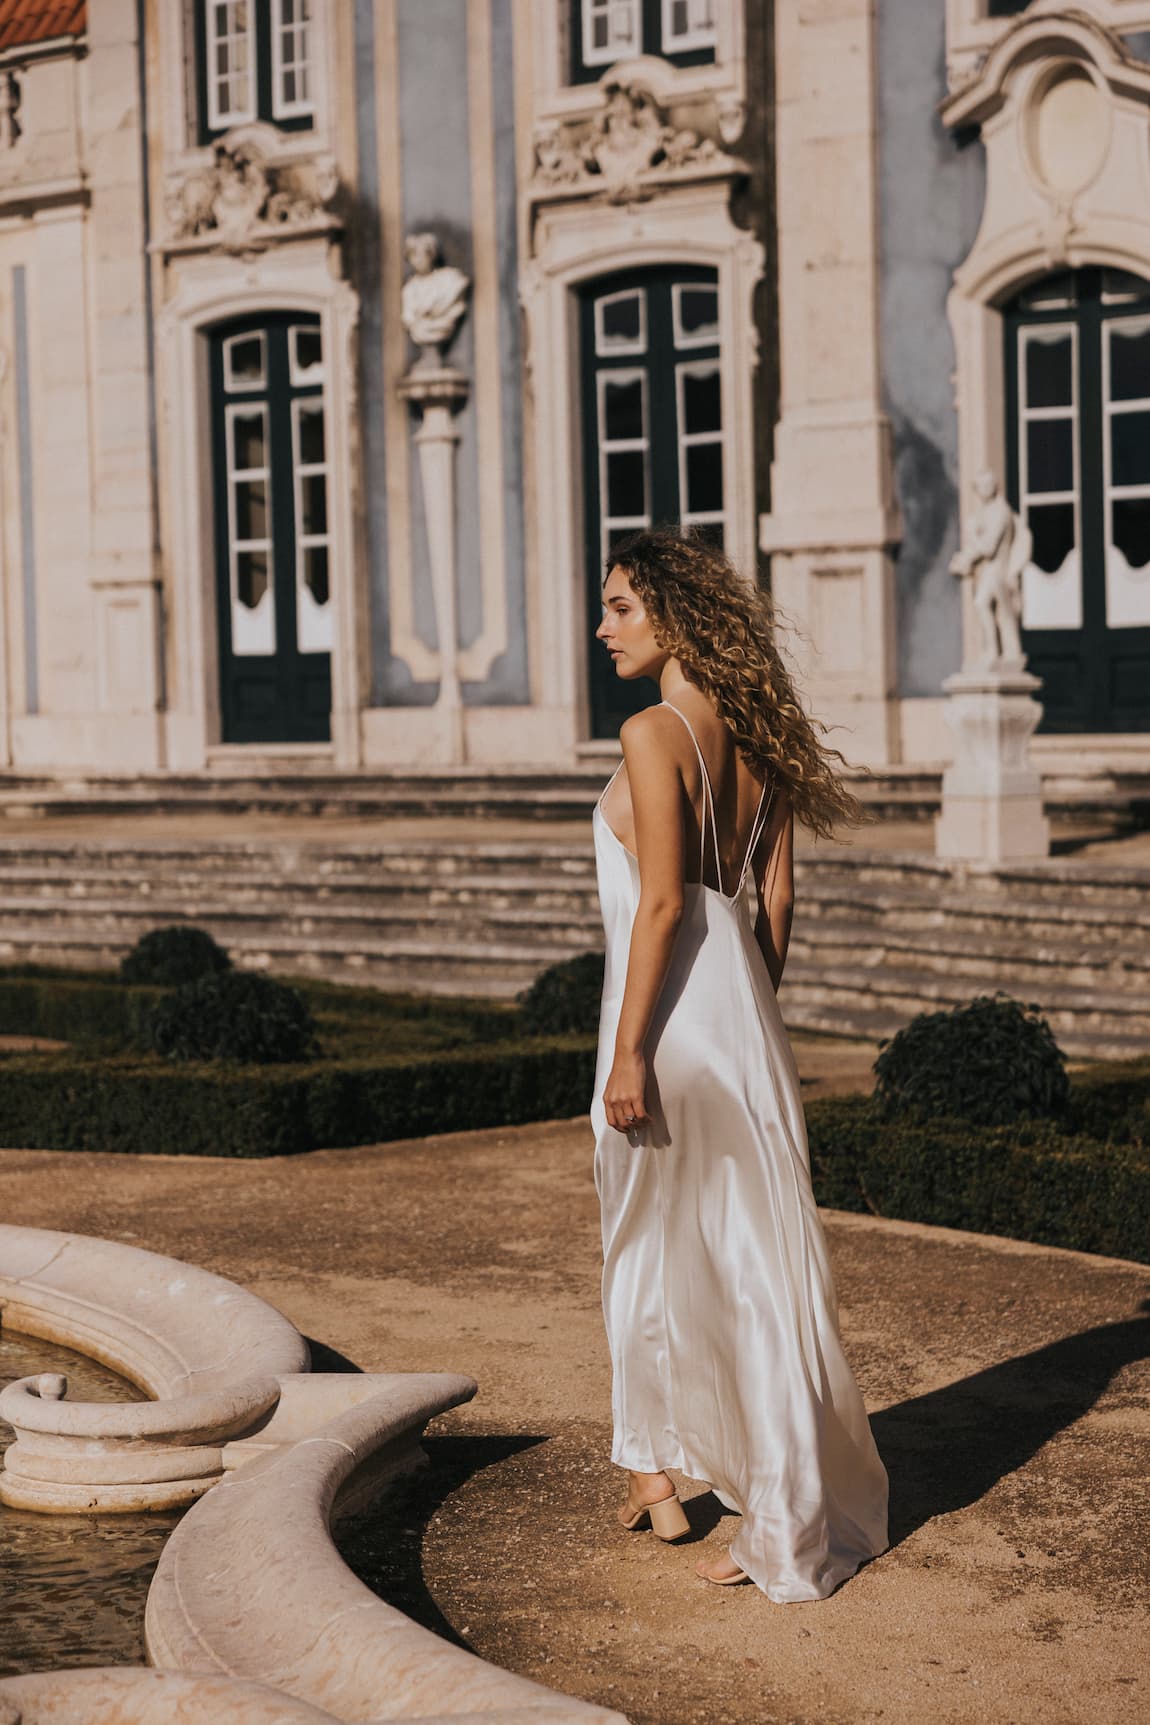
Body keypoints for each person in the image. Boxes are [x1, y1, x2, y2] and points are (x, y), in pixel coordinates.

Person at [590, 526, 889, 1597]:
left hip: (667, 1013)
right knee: (755, 1262)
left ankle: (662, 1466)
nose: (604, 625)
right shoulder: (760, 738)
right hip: (741, 1012)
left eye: (620, 605)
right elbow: (775, 901)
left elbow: (662, 902)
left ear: (671, 615)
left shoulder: (649, 733)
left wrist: (629, 1050)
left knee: (648, 1247)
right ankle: (723, 1490)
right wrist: (752, 1002)